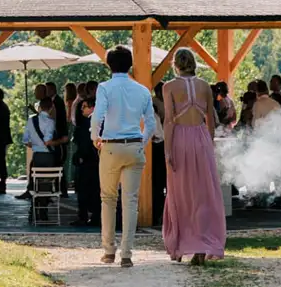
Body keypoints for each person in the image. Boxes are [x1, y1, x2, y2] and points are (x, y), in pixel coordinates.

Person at [92, 46, 158, 267]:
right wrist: (142, 141)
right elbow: (151, 123)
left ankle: (109, 250)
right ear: (130, 64)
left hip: (111, 145)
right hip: (134, 145)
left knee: (108, 199)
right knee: (130, 201)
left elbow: (98, 115)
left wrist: (95, 136)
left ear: (109, 64)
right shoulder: (142, 90)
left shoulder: (104, 88)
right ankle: (127, 253)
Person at [159, 51, 225, 265]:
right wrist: (209, 143)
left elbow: (169, 121)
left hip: (180, 138)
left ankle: (179, 245)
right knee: (203, 193)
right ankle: (202, 244)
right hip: (201, 137)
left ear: (175, 65)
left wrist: (167, 150)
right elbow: (211, 121)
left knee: (179, 192)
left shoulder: (168, 87)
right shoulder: (205, 86)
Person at [70, 93, 100, 227]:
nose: (82, 109)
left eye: (85, 107)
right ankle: (92, 216)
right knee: (91, 190)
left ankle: (85, 216)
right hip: (91, 161)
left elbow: (85, 143)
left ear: (93, 108)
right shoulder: (86, 123)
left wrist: (81, 156)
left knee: (86, 190)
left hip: (89, 161)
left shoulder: (88, 124)